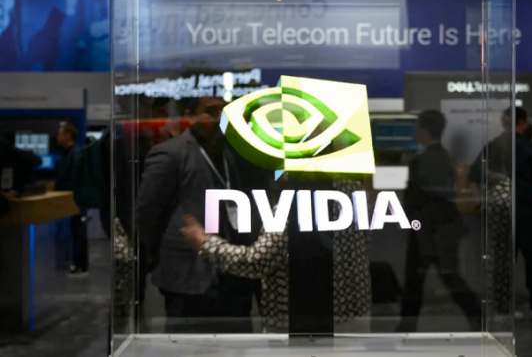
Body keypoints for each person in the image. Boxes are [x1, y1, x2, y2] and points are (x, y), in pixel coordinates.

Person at [180, 176, 372, 333]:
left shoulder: (293, 205)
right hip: (356, 315)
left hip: (298, 323)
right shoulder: (353, 191)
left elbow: (257, 262)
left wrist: (206, 243)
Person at [135, 96, 258, 334]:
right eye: (211, 111)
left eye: (225, 111)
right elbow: (147, 214)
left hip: (234, 274)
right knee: (188, 345)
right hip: (188, 276)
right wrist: (154, 259)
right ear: (190, 116)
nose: (221, 117)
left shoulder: (232, 154)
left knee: (238, 344)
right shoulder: (169, 154)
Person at [469, 107, 532, 320]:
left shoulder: (493, 146)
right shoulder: (531, 148)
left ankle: (503, 310)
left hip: (501, 210)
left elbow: (474, 174)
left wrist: (483, 199)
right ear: (523, 122)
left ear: (503, 122)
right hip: (529, 211)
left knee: (502, 262)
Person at [398, 110, 481, 332]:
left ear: (424, 130)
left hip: (424, 227)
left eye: (417, 127)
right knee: (450, 275)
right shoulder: (447, 158)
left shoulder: (419, 161)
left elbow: (413, 198)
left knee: (415, 280)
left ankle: (406, 326)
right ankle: (476, 316)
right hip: (446, 225)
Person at [55, 124, 88, 277]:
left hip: (74, 198)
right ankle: (77, 262)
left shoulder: (75, 153)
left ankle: (80, 264)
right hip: (71, 198)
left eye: (60, 134)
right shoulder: (70, 152)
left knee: (78, 231)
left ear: (68, 135)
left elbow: (75, 176)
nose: (58, 137)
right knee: (76, 231)